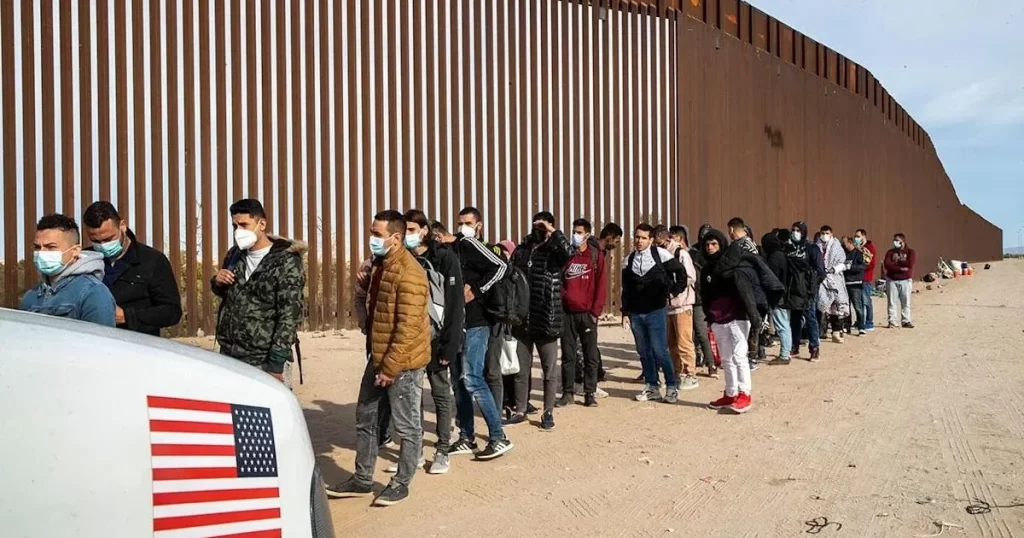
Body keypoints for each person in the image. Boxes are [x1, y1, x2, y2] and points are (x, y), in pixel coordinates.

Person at [325, 210, 430, 507]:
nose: (372, 238)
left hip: (403, 363)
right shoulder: (380, 265)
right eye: (371, 232)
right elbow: (370, 305)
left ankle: (401, 483)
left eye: (377, 234)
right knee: (366, 418)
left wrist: (391, 368)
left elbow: (408, 328)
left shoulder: (410, 274)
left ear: (395, 238)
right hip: (379, 356)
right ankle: (362, 479)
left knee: (407, 426)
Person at [211, 199, 304, 385]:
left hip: (263, 359)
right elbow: (230, 296)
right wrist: (217, 281)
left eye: (244, 225)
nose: (238, 231)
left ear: (261, 224)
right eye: (235, 226)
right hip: (230, 354)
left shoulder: (286, 261)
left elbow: (289, 316)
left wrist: (276, 364)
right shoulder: (234, 255)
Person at [400, 210, 465, 474]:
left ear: (424, 230)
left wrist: (450, 344)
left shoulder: (445, 258)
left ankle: (442, 449)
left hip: (437, 339)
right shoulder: (402, 258)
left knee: (440, 393)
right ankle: (414, 450)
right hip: (410, 340)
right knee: (411, 396)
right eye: (405, 230)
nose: (408, 235)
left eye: (412, 230)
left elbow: (455, 304)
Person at [450, 207, 513, 459]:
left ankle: (498, 436)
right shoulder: (458, 246)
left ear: (478, 225)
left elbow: (501, 266)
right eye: (460, 223)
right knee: (460, 382)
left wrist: (476, 290)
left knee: (473, 378)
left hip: (478, 322)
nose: (463, 227)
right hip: (459, 323)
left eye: (468, 223)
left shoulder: (477, 246)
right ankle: (466, 436)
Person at [702, 223, 783, 414]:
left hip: (738, 316)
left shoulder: (736, 266)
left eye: (714, 244)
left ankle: (745, 394)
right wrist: (709, 317)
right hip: (718, 318)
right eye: (707, 245)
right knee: (726, 359)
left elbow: (746, 291)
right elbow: (705, 295)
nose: (710, 248)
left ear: (722, 245)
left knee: (739, 356)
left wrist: (755, 317)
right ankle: (730, 393)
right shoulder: (706, 269)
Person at [509, 212, 573, 431]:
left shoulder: (554, 251)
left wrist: (553, 232)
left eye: (543, 226)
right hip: (523, 319)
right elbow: (511, 276)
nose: (539, 230)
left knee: (549, 369)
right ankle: (520, 409)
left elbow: (569, 254)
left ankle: (548, 411)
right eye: (537, 226)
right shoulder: (523, 249)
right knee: (521, 369)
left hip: (547, 317)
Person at [81, 201, 181, 336]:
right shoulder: (84, 260)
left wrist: (126, 317)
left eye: (109, 239)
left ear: (122, 226)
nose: (103, 245)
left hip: (138, 343)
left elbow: (172, 312)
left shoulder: (153, 261)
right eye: (96, 241)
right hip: (93, 340)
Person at [621, 223, 687, 403]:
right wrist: (625, 313)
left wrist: (673, 292)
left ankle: (671, 386)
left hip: (656, 311)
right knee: (644, 352)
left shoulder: (662, 255)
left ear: (650, 239)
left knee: (660, 351)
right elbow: (626, 290)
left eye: (643, 238)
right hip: (636, 314)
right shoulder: (628, 261)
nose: (639, 241)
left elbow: (681, 273)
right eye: (637, 237)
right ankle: (652, 386)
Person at [21, 214, 116, 326]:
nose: (41, 253)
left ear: (75, 251)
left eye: (51, 247)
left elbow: (101, 336)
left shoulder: (93, 293)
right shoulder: (31, 296)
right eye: (37, 247)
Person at [559, 218, 607, 409]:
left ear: (587, 234)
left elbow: (601, 285)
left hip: (587, 314)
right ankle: (567, 392)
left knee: (590, 355)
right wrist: (563, 300)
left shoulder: (595, 256)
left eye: (579, 232)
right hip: (567, 314)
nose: (575, 235)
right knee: (568, 355)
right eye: (574, 232)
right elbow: (560, 280)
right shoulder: (566, 254)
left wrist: (595, 312)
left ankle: (589, 392)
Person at [727, 219, 767, 370]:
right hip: (741, 290)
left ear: (731, 229)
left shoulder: (746, 245)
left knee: (751, 323)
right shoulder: (739, 245)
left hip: (749, 290)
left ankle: (751, 357)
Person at [665, 225, 699, 390]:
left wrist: (676, 289)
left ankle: (690, 374)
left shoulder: (682, 254)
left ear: (677, 238)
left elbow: (690, 276)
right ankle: (676, 373)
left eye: (670, 237)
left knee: (684, 341)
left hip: (683, 304)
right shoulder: (664, 254)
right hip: (668, 306)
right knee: (672, 343)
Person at [788, 221, 825, 361]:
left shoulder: (812, 249)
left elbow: (820, 271)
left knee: (810, 318)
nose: (795, 233)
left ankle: (814, 348)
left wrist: (812, 285)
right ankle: (794, 346)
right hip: (793, 290)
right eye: (793, 230)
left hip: (808, 290)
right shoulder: (789, 249)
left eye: (798, 230)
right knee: (795, 319)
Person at [691, 223, 717, 377]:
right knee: (691, 333)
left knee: (702, 332)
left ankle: (711, 363)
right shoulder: (693, 252)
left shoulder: (715, 255)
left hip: (703, 298)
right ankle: (696, 357)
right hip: (693, 297)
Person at [763, 229, 793, 365]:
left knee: (782, 325)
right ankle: (787, 352)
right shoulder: (782, 254)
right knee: (785, 324)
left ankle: (785, 355)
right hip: (785, 294)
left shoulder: (774, 257)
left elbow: (772, 279)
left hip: (778, 295)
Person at [817, 226, 851, 344]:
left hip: (835, 279)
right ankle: (820, 332)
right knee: (821, 305)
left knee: (836, 306)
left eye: (827, 233)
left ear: (831, 234)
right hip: (821, 280)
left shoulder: (837, 247)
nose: (824, 235)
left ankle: (836, 332)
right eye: (822, 233)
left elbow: (843, 262)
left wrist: (834, 269)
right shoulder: (816, 246)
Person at [884, 233, 916, 329]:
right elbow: (887, 264)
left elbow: (910, 263)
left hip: (905, 280)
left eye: (897, 240)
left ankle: (906, 320)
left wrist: (897, 261)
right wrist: (900, 268)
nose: (895, 242)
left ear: (902, 241)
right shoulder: (890, 252)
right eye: (894, 240)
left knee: (906, 302)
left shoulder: (910, 252)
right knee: (892, 302)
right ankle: (892, 321)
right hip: (892, 280)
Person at [841, 236, 867, 336]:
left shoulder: (858, 254)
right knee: (845, 307)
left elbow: (862, 267)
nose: (843, 245)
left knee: (858, 306)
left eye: (844, 243)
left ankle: (861, 327)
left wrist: (850, 267)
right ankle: (847, 326)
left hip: (855, 284)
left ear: (850, 242)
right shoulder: (843, 254)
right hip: (845, 284)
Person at [854, 229, 877, 331]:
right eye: (855, 236)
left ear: (863, 236)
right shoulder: (857, 247)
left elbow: (871, 264)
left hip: (865, 278)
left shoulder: (869, 248)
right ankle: (860, 321)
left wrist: (860, 268)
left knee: (866, 301)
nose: (856, 238)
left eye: (858, 236)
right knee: (859, 302)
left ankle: (869, 322)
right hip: (857, 278)